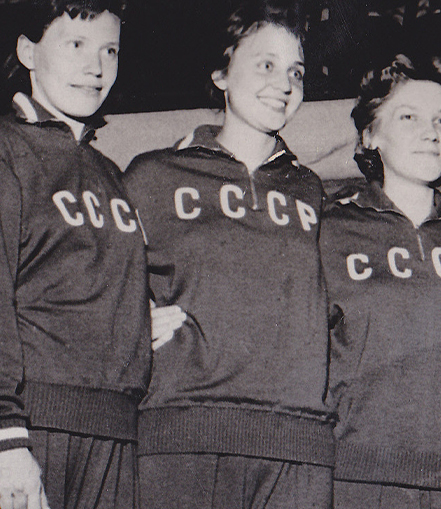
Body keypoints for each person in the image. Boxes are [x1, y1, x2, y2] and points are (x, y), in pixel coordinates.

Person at [0, 1, 148, 508]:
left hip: (109, 439)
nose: (96, 67)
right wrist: (2, 435)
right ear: (28, 51)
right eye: (76, 45)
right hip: (22, 432)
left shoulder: (110, 174)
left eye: (110, 50)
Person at [121, 1, 334, 507]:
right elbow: (90, 283)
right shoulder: (154, 176)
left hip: (296, 443)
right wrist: (126, 323)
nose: (283, 84)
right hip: (183, 437)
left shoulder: (311, 191)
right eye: (265, 65)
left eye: (295, 73)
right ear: (220, 73)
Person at [320, 54, 441, 508]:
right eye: (409, 116)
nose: (431, 131)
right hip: (361, 480)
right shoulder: (328, 229)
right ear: (370, 134)